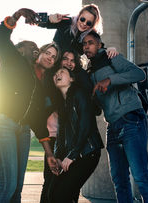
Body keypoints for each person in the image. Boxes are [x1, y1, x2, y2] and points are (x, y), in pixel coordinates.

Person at [0, 8, 60, 203]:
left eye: (37, 47)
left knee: (18, 188)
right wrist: (17, 15)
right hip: (2, 122)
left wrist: (49, 154)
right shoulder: (12, 60)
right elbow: (0, 38)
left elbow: (37, 120)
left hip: (23, 129)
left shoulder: (38, 84)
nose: (34, 48)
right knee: (7, 185)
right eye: (30, 47)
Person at [82, 31, 148, 203]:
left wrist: (110, 80)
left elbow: (139, 75)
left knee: (140, 175)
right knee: (119, 179)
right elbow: (97, 107)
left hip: (130, 119)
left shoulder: (112, 57)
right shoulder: (89, 72)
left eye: (91, 43)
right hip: (113, 126)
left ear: (100, 44)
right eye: (84, 44)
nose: (87, 46)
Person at [39, 49, 94, 203]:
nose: (69, 63)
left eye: (72, 60)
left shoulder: (77, 92)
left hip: (72, 144)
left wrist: (73, 153)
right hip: (54, 140)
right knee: (51, 185)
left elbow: (86, 121)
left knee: (67, 190)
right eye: (65, 59)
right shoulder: (53, 84)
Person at [47, 68, 104, 203]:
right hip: (73, 154)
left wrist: (72, 155)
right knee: (52, 194)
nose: (57, 75)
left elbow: (85, 127)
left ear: (71, 79)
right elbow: (61, 135)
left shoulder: (80, 94)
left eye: (62, 72)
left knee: (62, 195)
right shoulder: (62, 103)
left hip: (88, 153)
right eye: (56, 73)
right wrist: (59, 157)